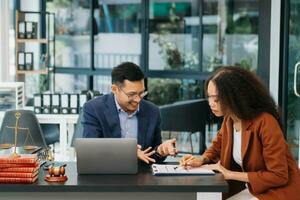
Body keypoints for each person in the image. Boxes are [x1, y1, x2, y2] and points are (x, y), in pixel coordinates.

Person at [180, 66, 300, 200]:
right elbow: (216, 148)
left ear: (234, 97)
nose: (210, 103)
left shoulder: (265, 122)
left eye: (216, 99)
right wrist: (200, 159)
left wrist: (229, 174)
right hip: (255, 190)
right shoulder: (229, 120)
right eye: (209, 97)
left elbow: (278, 175)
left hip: (280, 193)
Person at [82, 62, 177, 164]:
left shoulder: (152, 111)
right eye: (131, 94)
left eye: (141, 93)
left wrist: (160, 150)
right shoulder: (94, 109)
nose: (138, 100)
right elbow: (91, 151)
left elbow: (151, 155)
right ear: (115, 89)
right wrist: (127, 151)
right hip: (106, 174)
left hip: (141, 176)